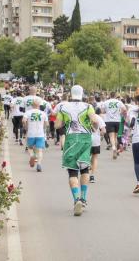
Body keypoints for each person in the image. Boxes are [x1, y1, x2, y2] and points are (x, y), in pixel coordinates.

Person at [55, 85, 98, 216]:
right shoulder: (88, 106)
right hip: (85, 139)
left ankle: (76, 199)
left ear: (71, 94)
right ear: (82, 93)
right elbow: (95, 121)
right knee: (85, 169)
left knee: (72, 172)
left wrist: (65, 123)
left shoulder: (63, 107)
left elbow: (57, 125)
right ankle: (84, 198)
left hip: (71, 139)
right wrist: (93, 127)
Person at [23, 98, 48, 172]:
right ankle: (39, 164)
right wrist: (43, 128)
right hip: (40, 134)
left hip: (31, 133)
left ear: (31, 105)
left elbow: (24, 120)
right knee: (40, 150)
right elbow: (47, 124)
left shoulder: (28, 112)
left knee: (30, 148)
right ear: (39, 105)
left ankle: (32, 155)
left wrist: (26, 127)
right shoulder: (43, 113)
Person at [102, 92, 126, 159]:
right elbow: (124, 109)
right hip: (117, 120)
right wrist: (119, 113)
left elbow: (102, 111)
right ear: (115, 96)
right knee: (115, 137)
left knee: (111, 137)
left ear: (110, 95)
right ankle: (115, 150)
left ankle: (114, 148)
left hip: (109, 121)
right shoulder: (119, 102)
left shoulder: (106, 102)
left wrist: (107, 112)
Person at [90, 108, 106, 183]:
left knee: (85, 156)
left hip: (85, 139)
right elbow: (104, 131)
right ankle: (92, 176)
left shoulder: (84, 116)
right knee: (95, 158)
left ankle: (85, 173)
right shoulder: (98, 117)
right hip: (95, 140)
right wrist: (101, 135)